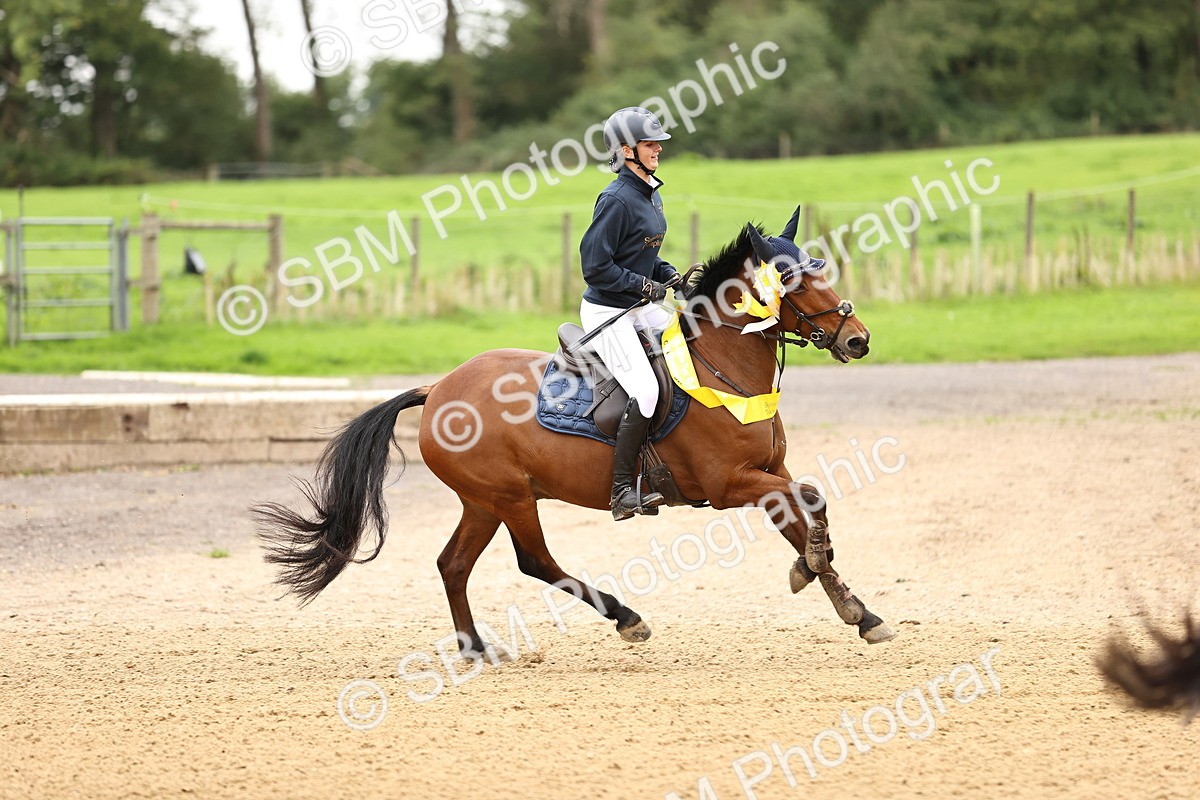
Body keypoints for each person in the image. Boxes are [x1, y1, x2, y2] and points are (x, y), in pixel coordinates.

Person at [579, 107, 682, 521]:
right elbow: (596, 267)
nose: (658, 148)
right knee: (647, 391)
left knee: (690, 343)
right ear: (626, 151)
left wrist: (669, 274)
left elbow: (640, 254)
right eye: (649, 143)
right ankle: (622, 491)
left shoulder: (650, 191)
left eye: (657, 142)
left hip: (640, 306)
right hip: (609, 312)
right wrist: (646, 287)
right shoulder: (616, 199)